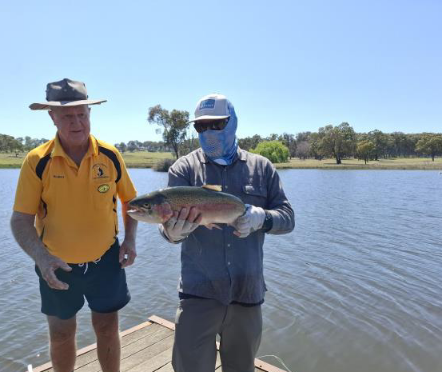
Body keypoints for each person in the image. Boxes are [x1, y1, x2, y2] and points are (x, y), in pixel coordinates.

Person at [160, 93, 295, 372]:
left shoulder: (262, 168)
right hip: (198, 293)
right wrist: (173, 233)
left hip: (247, 293)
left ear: (233, 123)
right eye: (201, 127)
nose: (208, 132)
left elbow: (288, 218)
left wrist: (262, 219)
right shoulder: (183, 169)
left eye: (216, 124)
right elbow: (166, 225)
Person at [10, 78, 138, 372]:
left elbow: (131, 202)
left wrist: (129, 241)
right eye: (68, 116)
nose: (77, 122)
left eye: (82, 114)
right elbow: (20, 220)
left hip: (106, 259)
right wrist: (42, 258)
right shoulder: (37, 161)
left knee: (107, 327)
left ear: (90, 114)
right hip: (55, 264)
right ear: (52, 117)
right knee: (61, 333)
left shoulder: (109, 155)